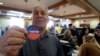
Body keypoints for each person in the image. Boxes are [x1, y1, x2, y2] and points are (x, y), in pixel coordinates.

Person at [0, 6, 65, 56]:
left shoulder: (55, 40)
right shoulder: (21, 38)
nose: (39, 15)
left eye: (43, 13)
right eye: (36, 13)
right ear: (32, 18)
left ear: (48, 19)